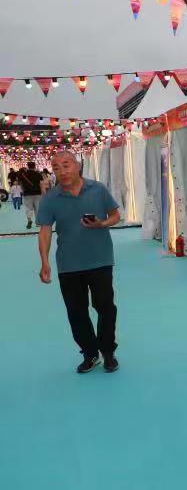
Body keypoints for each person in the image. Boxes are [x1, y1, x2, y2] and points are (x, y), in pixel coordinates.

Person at [37, 151, 122, 374]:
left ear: (77, 166)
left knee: (105, 307)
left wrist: (101, 224)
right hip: (69, 264)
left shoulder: (98, 189)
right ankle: (90, 353)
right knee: (76, 312)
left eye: (66, 165)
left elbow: (115, 215)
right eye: (56, 168)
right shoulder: (50, 198)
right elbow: (45, 231)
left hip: (100, 260)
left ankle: (108, 351)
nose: (62, 171)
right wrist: (44, 262)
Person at [18, 161, 43, 229]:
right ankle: (38, 223)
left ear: (27, 166)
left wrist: (23, 190)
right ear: (34, 166)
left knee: (28, 208)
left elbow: (21, 184)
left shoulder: (23, 174)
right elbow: (41, 184)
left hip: (27, 194)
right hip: (38, 193)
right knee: (38, 208)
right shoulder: (38, 174)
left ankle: (29, 220)